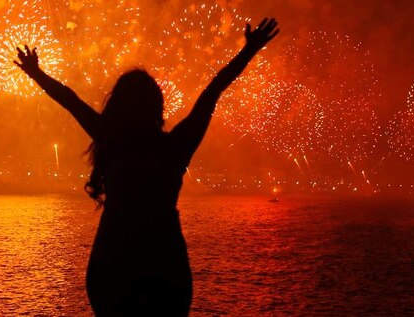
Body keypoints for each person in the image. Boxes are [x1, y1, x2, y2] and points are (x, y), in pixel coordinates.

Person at [14, 18, 280, 316]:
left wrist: (36, 72)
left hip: (112, 263)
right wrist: (249, 50)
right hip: (165, 263)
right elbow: (213, 90)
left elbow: (69, 100)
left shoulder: (109, 137)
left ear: (117, 104)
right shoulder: (175, 147)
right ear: (158, 106)